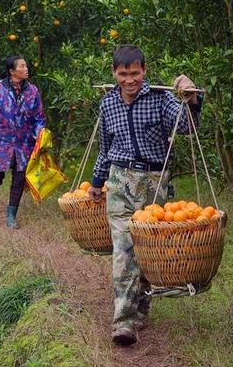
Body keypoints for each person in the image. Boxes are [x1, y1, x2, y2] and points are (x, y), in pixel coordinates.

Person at [88, 44, 202, 347]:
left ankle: (141, 308)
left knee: (147, 250)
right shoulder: (108, 103)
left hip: (154, 182)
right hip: (119, 179)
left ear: (144, 71)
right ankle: (123, 321)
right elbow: (105, 147)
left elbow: (187, 128)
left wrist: (191, 99)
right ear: (114, 73)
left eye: (135, 73)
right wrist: (97, 181)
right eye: (123, 74)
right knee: (124, 250)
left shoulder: (160, 99)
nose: (129, 80)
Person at [0, 55, 46, 229]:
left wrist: (39, 133)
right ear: (12, 71)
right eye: (22, 66)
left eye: (26, 65)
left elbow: (39, 117)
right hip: (0, 140)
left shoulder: (32, 91)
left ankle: (11, 214)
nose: (26, 68)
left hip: (24, 142)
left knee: (20, 177)